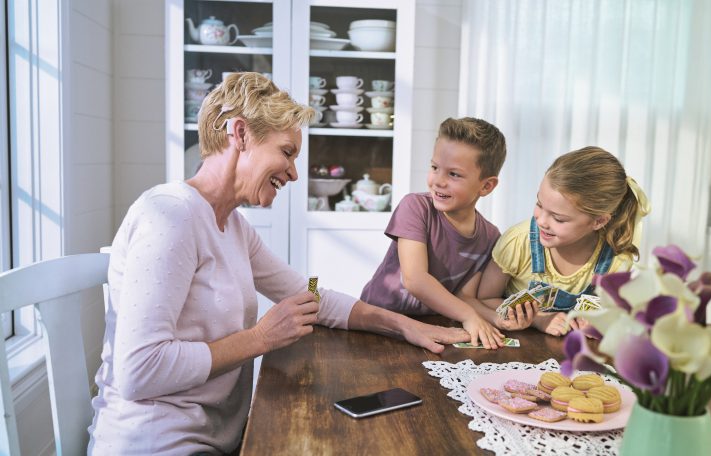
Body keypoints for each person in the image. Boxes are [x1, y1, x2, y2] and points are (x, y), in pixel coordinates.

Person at [87, 73, 469, 455]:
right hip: (156, 442)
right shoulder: (169, 218)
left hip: (220, 437)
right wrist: (260, 338)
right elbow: (140, 371)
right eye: (286, 152)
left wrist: (406, 326)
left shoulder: (233, 226)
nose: (294, 173)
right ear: (240, 135)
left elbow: (312, 294)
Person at [360, 117, 539, 350]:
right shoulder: (415, 207)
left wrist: (496, 319)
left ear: (486, 186)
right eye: (435, 168)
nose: (438, 181)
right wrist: (469, 317)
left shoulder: (490, 237)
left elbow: (465, 297)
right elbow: (415, 279)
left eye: (454, 174)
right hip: (379, 324)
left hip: (432, 328)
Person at [477, 146, 651, 336]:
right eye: (539, 204)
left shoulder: (616, 258)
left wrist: (599, 322)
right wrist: (538, 319)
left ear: (599, 221)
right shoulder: (518, 241)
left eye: (558, 218)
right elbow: (484, 298)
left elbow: (616, 314)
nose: (541, 221)